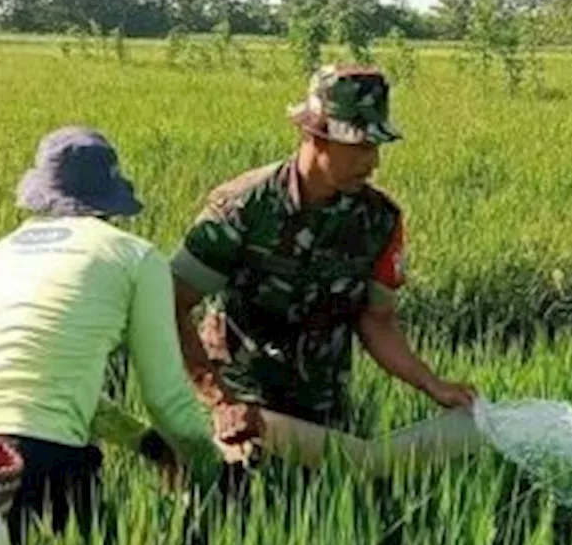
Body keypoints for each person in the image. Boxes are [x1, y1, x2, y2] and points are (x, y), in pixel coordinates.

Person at [0, 125, 230, 545]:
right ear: (110, 197)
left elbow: (51, 384)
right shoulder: (133, 255)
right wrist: (209, 465)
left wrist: (146, 443)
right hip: (42, 458)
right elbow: (166, 394)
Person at [169, 63, 477, 461]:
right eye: (361, 146)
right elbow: (173, 304)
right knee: (234, 511)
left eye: (376, 146)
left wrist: (434, 386)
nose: (373, 162)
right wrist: (220, 400)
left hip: (323, 408)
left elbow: (376, 320)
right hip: (242, 407)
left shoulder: (379, 220)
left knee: (334, 508)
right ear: (313, 136)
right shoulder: (243, 209)